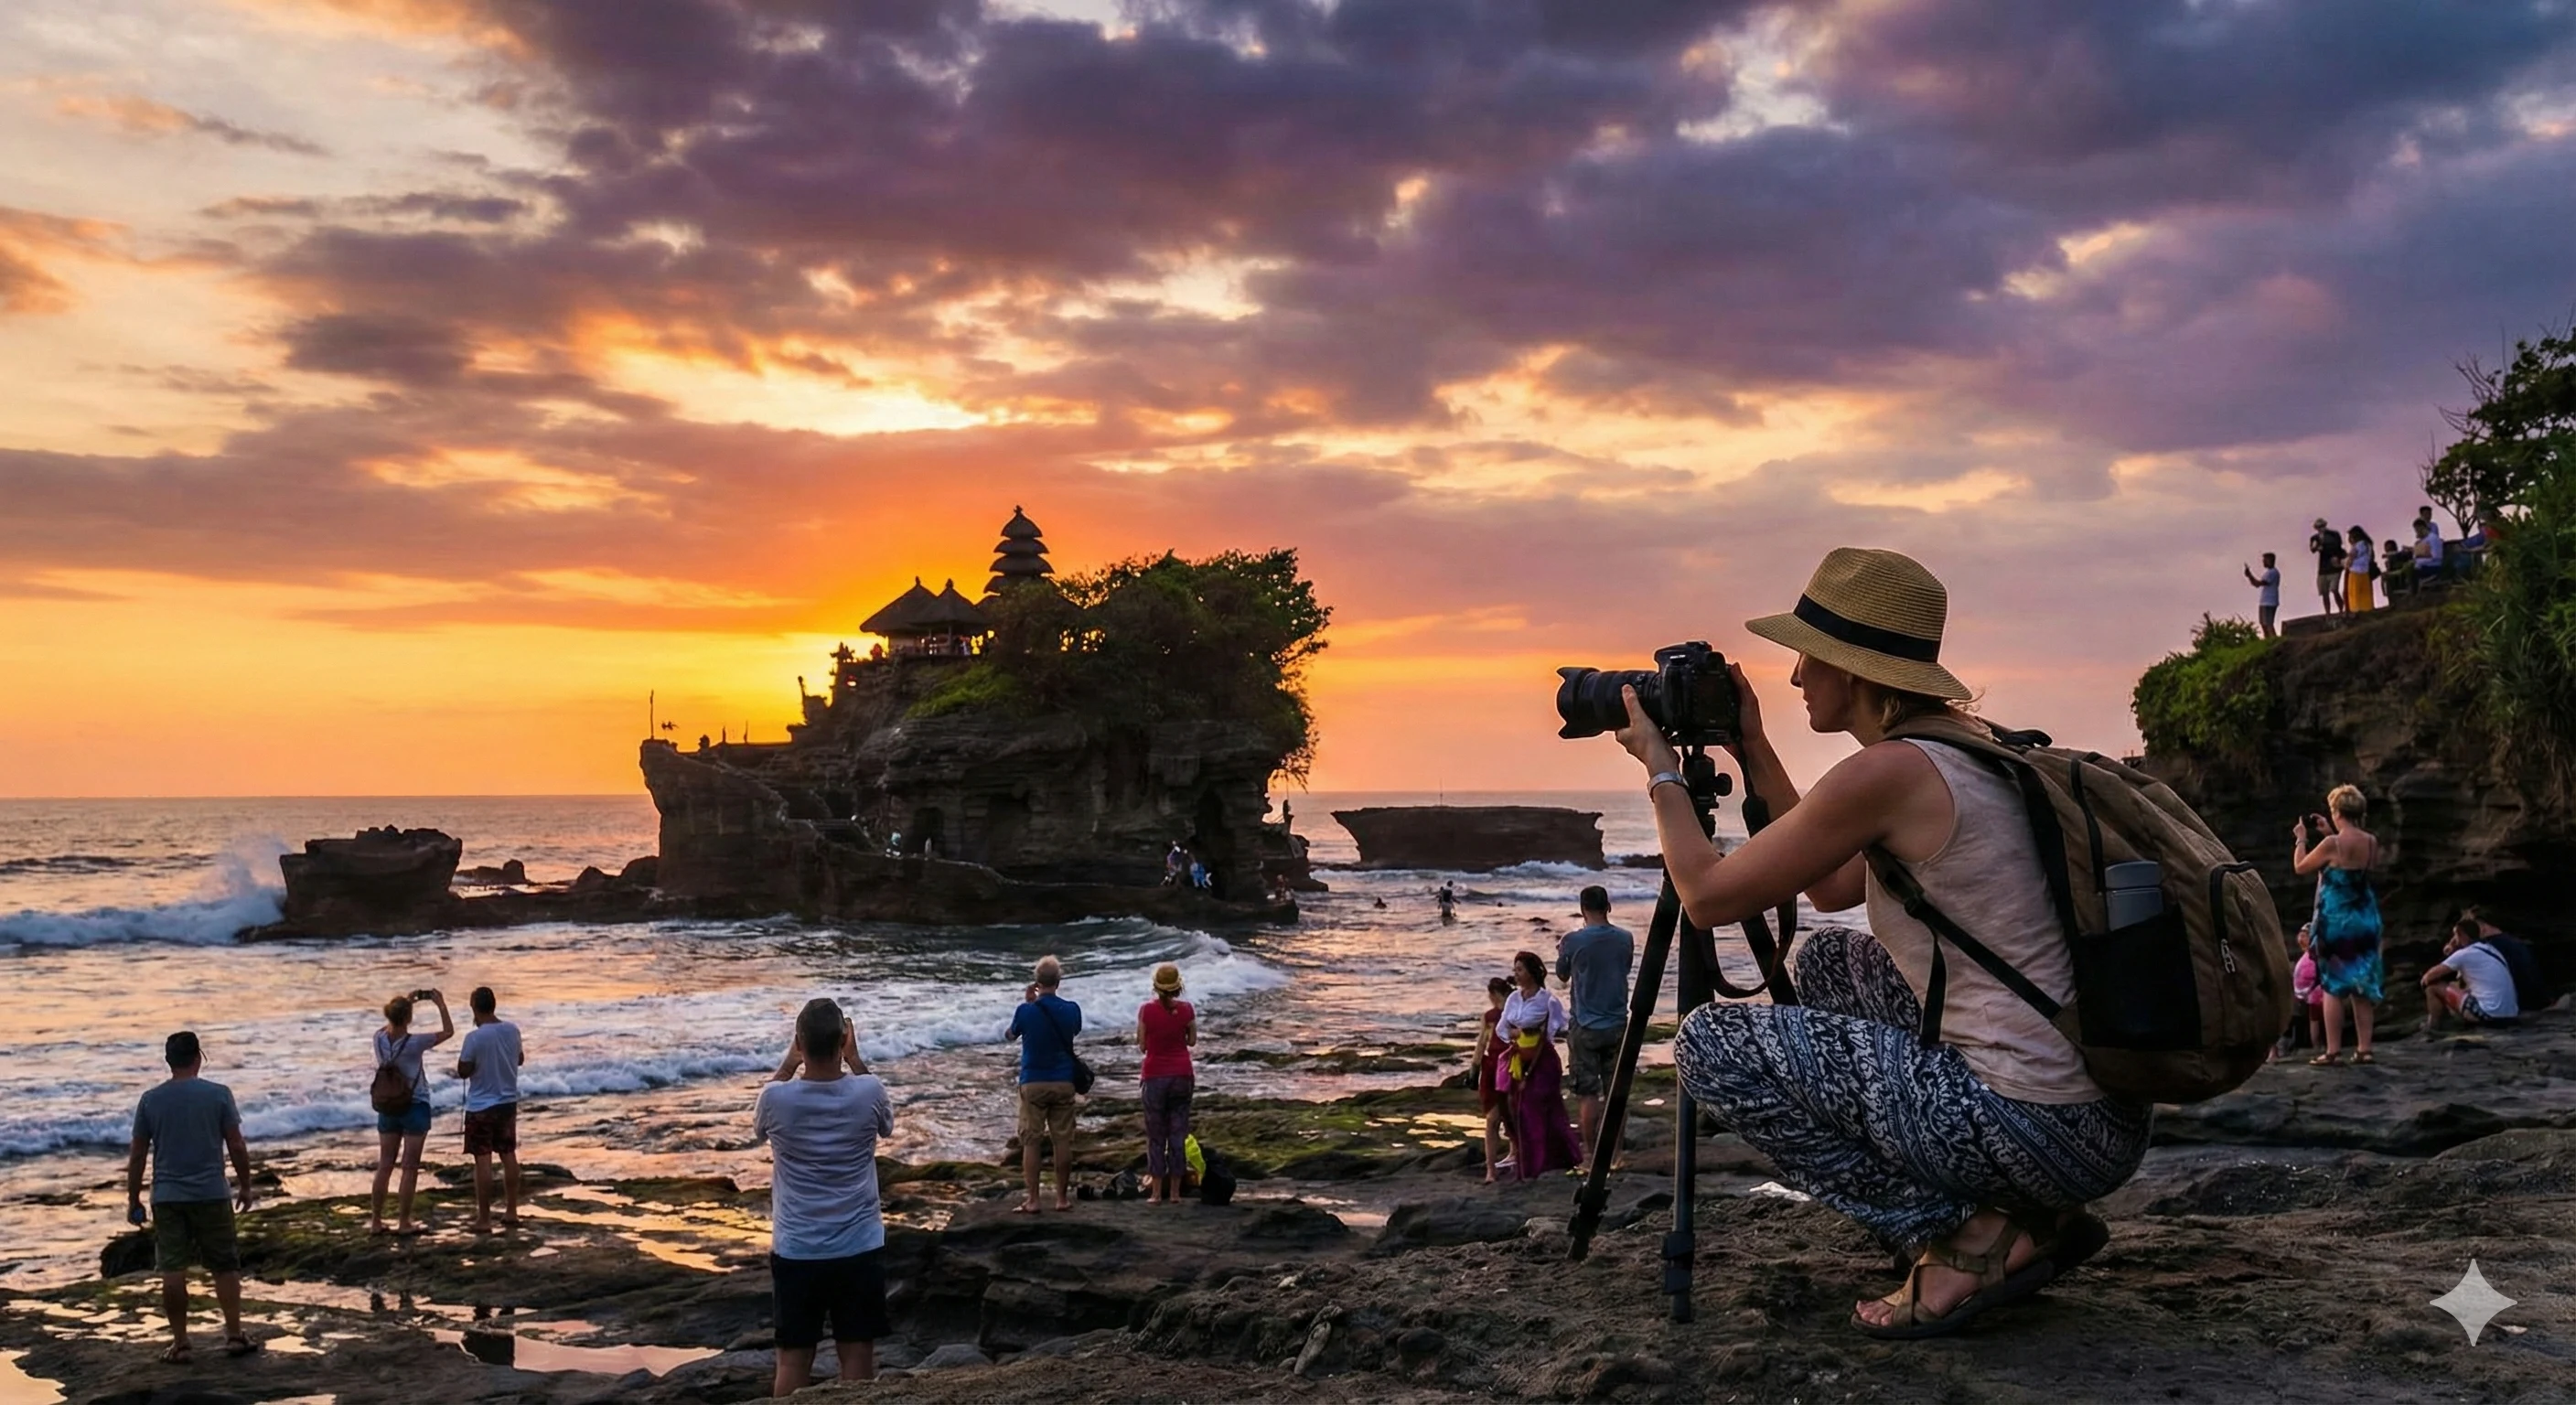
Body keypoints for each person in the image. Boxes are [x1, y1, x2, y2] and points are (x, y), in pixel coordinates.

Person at [1606, 547, 2150, 1339]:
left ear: (1851, 672)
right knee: (1827, 959)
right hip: (2098, 1113)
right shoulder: (1969, 748)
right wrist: (1751, 745)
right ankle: (2028, 1214)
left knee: (1709, 1046)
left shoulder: (1889, 774)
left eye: (1805, 657)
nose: (1794, 679)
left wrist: (1660, 770)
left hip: (2038, 1128)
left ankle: (1967, 1238)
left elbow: (1706, 897)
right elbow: (1829, 890)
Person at [756, 997, 893, 1395]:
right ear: (844, 1040)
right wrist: (856, 1060)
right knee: (856, 1356)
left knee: (793, 1359)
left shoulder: (776, 1099)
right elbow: (886, 1126)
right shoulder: (868, 1091)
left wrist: (787, 1064)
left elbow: (758, 1130)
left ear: (799, 1042)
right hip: (859, 1246)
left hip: (798, 1248)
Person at [128, 1031, 257, 1363]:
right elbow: (237, 1144)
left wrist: (133, 1200)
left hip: (167, 1196)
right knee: (224, 1265)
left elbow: (138, 1155)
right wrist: (245, 1184)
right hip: (211, 1192)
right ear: (198, 1057)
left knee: (172, 1268)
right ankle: (233, 1335)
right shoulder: (218, 1095)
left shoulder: (150, 1100)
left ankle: (181, 1343)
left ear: (168, 1060)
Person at [2294, 785, 2382, 1065]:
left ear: (2336, 811)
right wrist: (2329, 834)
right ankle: (2364, 1049)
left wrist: (2301, 840)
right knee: (2362, 984)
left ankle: (2332, 1051)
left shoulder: (2332, 844)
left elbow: (2301, 867)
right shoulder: (2371, 842)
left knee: (2333, 987)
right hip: (2366, 917)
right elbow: (2351, 864)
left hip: (2337, 921)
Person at [1554, 885, 1634, 1160]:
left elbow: (1563, 975)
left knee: (1588, 1095)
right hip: (1617, 1022)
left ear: (1582, 909)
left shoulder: (1573, 941)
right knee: (1617, 1094)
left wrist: (1562, 953)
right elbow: (1624, 968)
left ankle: (1591, 1155)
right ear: (1608, 906)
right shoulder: (1625, 938)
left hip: (1584, 1025)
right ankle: (1617, 1154)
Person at [370, 989, 454, 1235]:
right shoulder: (415, 1043)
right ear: (409, 1018)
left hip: (387, 1105)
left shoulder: (378, 1039)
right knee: (409, 1166)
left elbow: (391, 1023)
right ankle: (403, 1222)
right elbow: (449, 1031)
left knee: (385, 1164)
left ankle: (376, 1221)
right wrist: (440, 1003)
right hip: (414, 1105)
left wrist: (406, 1001)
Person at [1005, 956, 1082, 1213]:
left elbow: (1010, 1035)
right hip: (1063, 1081)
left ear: (1037, 982)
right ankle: (1061, 1199)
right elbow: (1075, 1030)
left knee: (1031, 1141)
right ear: (1058, 982)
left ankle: (1034, 1200)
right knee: (1062, 1141)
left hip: (1033, 1082)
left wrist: (1030, 1003)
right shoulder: (1072, 1009)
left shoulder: (1025, 1010)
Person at [1495, 950, 1581, 1179]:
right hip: (1518, 1056)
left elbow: (1560, 1026)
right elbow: (1502, 1029)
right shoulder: (1513, 999)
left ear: (1533, 971)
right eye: (1515, 970)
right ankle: (1525, 1157)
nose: (1517, 974)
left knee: (1541, 1106)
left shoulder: (1547, 999)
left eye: (1520, 969)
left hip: (1542, 1060)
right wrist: (1517, 1033)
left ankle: (1550, 1158)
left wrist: (1537, 1032)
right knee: (1518, 1107)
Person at [454, 986, 527, 1233]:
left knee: (483, 1159)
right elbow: (520, 1059)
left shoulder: (474, 1038)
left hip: (481, 1105)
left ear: (474, 1008)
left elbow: (463, 1070)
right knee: (508, 1155)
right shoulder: (512, 1030)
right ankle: (511, 1211)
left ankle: (484, 1219)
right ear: (493, 1005)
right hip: (507, 1101)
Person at [1135, 963, 1197, 1205]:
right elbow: (1192, 1041)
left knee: (1156, 1135)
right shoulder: (1187, 1010)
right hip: (1182, 1074)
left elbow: (1143, 1046)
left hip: (1154, 1076)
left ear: (1156, 986)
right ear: (1178, 986)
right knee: (1178, 1134)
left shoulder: (1146, 1011)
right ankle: (1176, 1194)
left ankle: (1156, 1193)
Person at [2420, 919, 2522, 1032]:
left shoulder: (2464, 954)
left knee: (2432, 987)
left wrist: (2453, 948)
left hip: (2489, 1016)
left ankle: (2433, 1027)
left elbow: (2428, 977)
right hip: (2511, 1015)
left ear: (2460, 935)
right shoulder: (2492, 950)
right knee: (2461, 987)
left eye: (2455, 935)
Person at [1473, 976, 1515, 1183]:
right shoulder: (1506, 1014)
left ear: (1492, 995)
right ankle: (1499, 1163)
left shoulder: (1501, 1016)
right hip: (1499, 1066)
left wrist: (1474, 1069)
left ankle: (1494, 1167)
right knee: (1506, 1115)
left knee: (1495, 1119)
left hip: (1499, 1066)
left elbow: (1481, 1044)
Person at [2308, 518, 2346, 616]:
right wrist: (2316, 547)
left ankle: (2342, 609)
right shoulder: (2315, 538)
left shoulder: (2333, 534)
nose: (2320, 528)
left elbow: (2337, 546)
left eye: (2321, 526)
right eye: (2318, 527)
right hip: (2323, 568)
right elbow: (2312, 549)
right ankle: (2328, 613)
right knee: (2325, 593)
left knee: (2334, 590)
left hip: (2334, 566)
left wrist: (2323, 547)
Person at [2243, 553, 2281, 638]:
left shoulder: (2272, 572)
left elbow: (2258, 583)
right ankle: (2269, 642)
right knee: (2264, 624)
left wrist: (2249, 576)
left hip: (2269, 602)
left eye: (2265, 560)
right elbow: (2256, 584)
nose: (2263, 562)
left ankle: (2273, 641)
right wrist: (2249, 576)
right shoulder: (2270, 573)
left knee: (2268, 624)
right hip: (2267, 601)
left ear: (2270, 560)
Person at [2344, 526, 2376, 614]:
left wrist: (2346, 564)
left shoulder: (2359, 544)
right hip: (2365, 571)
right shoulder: (2368, 545)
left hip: (2355, 572)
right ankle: (2367, 610)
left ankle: (2356, 611)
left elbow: (2352, 556)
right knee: (2365, 594)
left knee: (2354, 593)